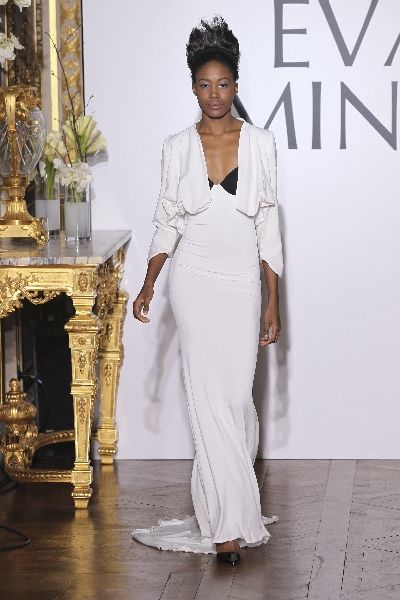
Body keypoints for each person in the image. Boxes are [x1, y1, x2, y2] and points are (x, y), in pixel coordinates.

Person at [132, 14, 283, 565]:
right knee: (205, 401)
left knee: (236, 400)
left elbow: (268, 225)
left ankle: (231, 504)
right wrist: (148, 284)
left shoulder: (261, 143)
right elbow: (166, 222)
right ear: (193, 87)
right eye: (204, 84)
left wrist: (273, 301)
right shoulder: (176, 147)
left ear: (236, 85)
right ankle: (225, 527)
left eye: (222, 84)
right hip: (192, 281)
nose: (214, 94)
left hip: (242, 281)